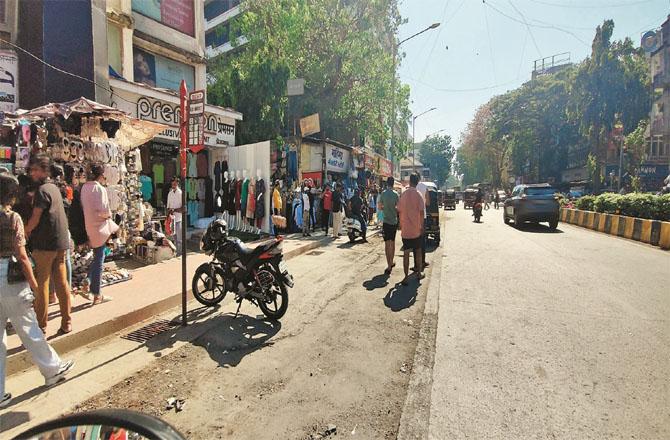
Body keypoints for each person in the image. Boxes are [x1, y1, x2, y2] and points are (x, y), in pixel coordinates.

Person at [0, 173, 75, 408]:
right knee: (29, 327)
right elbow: (22, 256)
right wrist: (33, 284)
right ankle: (52, 369)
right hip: (10, 278)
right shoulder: (12, 219)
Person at [23, 155, 72, 334]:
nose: (32, 173)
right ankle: (67, 322)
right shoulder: (53, 188)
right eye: (32, 170)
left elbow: (36, 217)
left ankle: (41, 326)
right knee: (61, 283)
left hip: (45, 244)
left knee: (41, 284)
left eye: (36, 170)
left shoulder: (42, 191)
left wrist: (25, 231)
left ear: (44, 171)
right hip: (60, 242)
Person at [80, 163, 117, 305]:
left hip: (89, 226)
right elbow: (104, 211)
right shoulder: (99, 189)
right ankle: (97, 294)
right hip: (100, 228)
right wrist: (109, 216)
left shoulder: (84, 188)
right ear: (100, 175)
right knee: (99, 259)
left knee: (97, 257)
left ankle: (88, 281)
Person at [398, 173, 425, 285]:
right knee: (418, 252)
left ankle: (405, 277)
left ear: (410, 181)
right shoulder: (418, 195)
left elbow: (399, 210)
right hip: (415, 230)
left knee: (406, 253)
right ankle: (418, 273)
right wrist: (422, 227)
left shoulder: (403, 194)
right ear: (417, 182)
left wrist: (401, 224)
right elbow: (421, 212)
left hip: (406, 230)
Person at [378, 177, 399, 275]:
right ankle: (392, 261)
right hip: (394, 222)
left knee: (387, 244)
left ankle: (389, 265)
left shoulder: (383, 194)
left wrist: (385, 208)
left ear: (387, 184)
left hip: (386, 221)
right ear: (393, 184)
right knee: (393, 242)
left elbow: (379, 207)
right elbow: (398, 208)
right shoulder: (396, 194)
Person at [415, 177, 430, 270]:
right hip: (423, 216)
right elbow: (428, 202)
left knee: (414, 240)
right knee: (422, 240)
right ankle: (423, 261)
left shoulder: (411, 188)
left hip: (413, 217)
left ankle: (416, 264)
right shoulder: (425, 187)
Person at [166, 178, 184, 256]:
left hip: (179, 218)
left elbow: (183, 208)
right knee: (174, 237)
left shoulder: (180, 193)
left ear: (177, 184)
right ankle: (176, 252)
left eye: (175, 184)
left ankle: (180, 253)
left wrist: (174, 210)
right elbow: (168, 207)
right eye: (172, 184)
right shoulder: (170, 193)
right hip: (172, 219)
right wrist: (168, 216)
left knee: (179, 238)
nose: (173, 185)